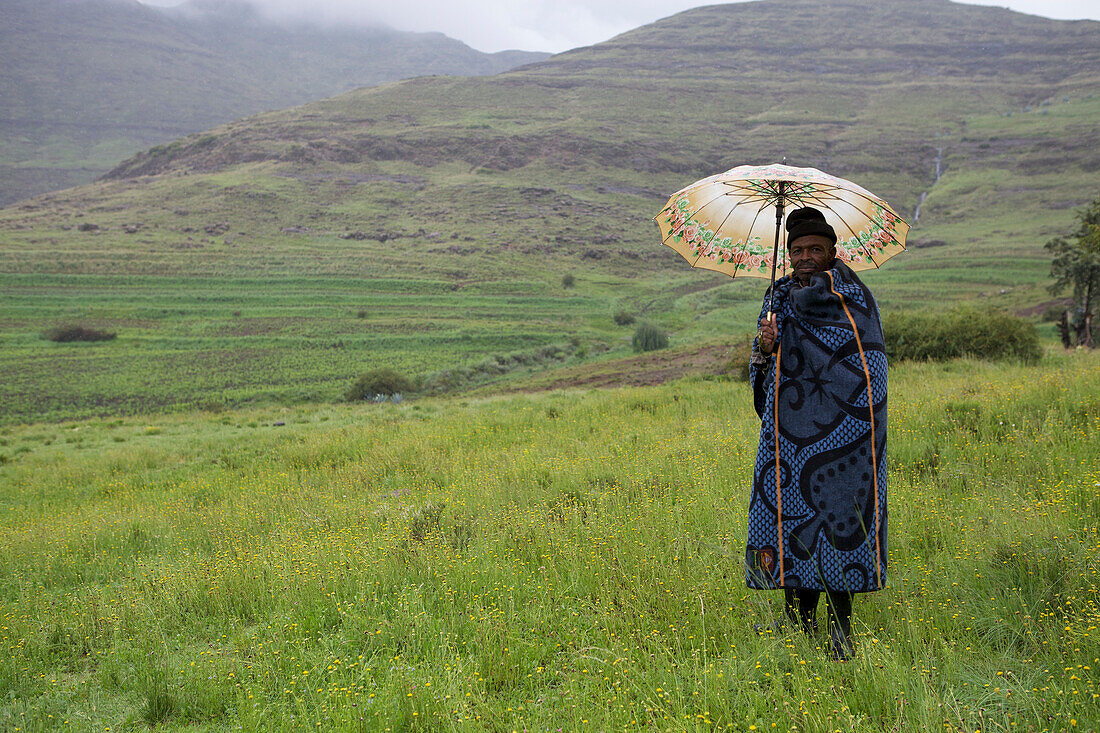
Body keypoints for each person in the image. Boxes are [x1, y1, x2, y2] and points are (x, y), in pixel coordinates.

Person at [746, 206, 888, 660]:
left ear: (832, 252)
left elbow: (870, 366)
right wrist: (766, 347)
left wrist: (851, 417)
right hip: (789, 434)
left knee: (840, 522)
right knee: (792, 522)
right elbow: (764, 366)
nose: (805, 257)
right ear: (788, 255)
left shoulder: (854, 295)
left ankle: (841, 629)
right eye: (798, 250)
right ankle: (798, 625)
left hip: (846, 435)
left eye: (815, 249)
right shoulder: (778, 296)